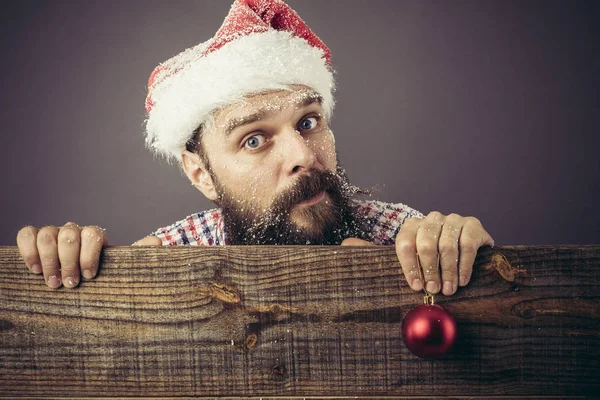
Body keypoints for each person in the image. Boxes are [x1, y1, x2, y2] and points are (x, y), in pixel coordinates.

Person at [16, 0, 493, 296]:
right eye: (254, 139)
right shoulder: (179, 249)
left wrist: (453, 243)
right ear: (201, 175)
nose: (303, 155)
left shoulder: (392, 232)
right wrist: (69, 259)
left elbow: (436, 242)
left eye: (308, 122)